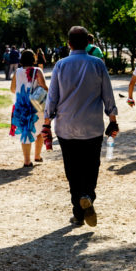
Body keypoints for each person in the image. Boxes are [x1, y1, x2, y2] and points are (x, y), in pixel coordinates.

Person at [45, 26, 118, 227]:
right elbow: (108, 95)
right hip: (92, 127)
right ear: (88, 43)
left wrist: (46, 123)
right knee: (91, 166)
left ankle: (78, 213)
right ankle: (88, 196)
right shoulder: (97, 64)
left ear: (69, 44)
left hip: (66, 128)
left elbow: (52, 97)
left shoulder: (60, 65)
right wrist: (112, 120)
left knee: (72, 169)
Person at [9, 49, 49, 167]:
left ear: (21, 60)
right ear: (34, 59)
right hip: (36, 106)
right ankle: (37, 155)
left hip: (21, 106)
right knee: (40, 130)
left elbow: (12, 89)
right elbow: (44, 87)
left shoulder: (17, 72)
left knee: (25, 131)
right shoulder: (37, 71)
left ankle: (27, 160)